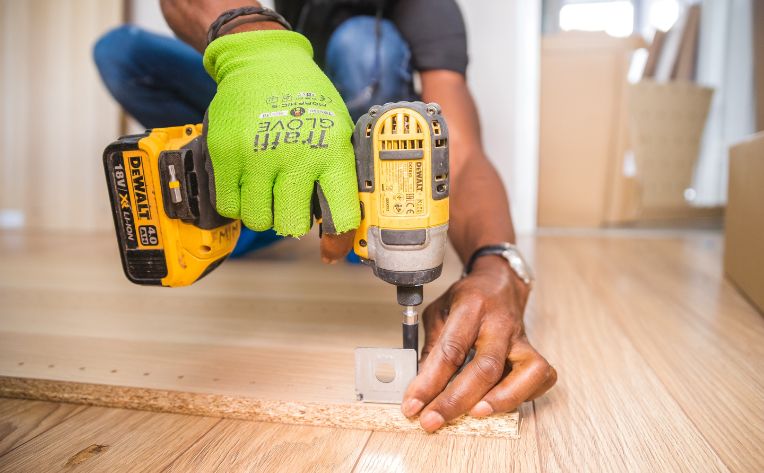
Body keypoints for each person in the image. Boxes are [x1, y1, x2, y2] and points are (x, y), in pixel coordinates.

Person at [93, 0, 557, 433]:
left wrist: (498, 264)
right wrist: (257, 46)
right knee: (124, 52)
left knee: (362, 43)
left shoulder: (428, 9)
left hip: (355, 151)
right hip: (276, 106)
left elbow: (462, 153)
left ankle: (352, 217)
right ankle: (251, 200)